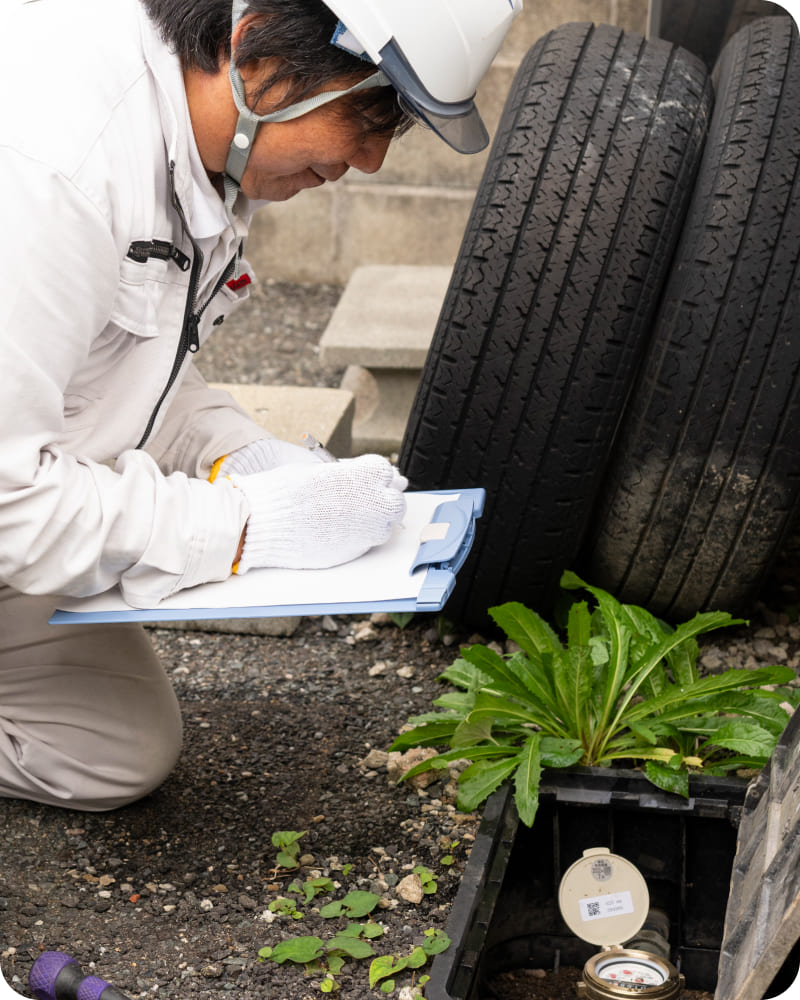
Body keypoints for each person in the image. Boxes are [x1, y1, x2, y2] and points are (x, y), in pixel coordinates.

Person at [0, 0, 522, 810]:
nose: (372, 159)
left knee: (108, 749)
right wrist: (243, 527)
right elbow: (8, 503)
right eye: (371, 112)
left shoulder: (197, 145)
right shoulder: (54, 169)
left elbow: (111, 371)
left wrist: (237, 455)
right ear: (256, 50)